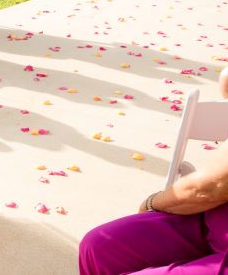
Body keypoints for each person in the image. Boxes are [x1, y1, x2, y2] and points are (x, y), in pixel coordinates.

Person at [79, 83, 228, 274]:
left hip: (213, 201)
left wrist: (152, 203)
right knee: (98, 247)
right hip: (213, 220)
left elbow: (208, 188)